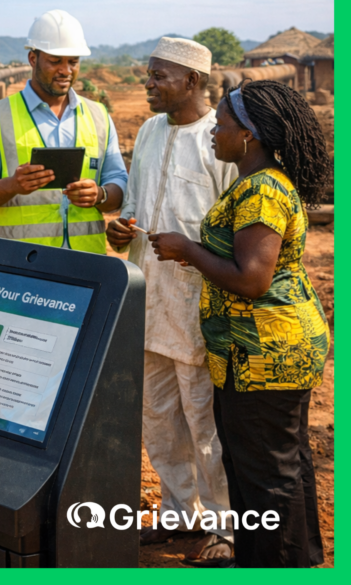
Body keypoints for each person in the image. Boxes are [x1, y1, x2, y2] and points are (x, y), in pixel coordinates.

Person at [149, 80, 331, 568]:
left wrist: (187, 249)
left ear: (249, 135)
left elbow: (252, 279)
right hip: (261, 351)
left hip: (266, 356)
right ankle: (296, 560)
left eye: (222, 123)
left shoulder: (261, 191)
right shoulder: (256, 184)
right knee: (282, 467)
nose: (214, 130)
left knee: (266, 476)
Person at [105, 38, 236, 565]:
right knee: (158, 419)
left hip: (197, 309)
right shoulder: (152, 132)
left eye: (159, 76)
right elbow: (135, 207)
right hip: (147, 301)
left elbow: (235, 233)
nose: (148, 83)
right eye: (148, 74)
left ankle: (225, 526)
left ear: (193, 82)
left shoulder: (221, 142)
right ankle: (181, 516)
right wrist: (120, 230)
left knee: (206, 423)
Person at [0, 10, 128, 250]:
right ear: (32, 59)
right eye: (55, 61)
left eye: (73, 62)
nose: (66, 71)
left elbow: (119, 182)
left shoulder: (98, 116)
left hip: (88, 266)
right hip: (23, 266)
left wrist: (100, 194)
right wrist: (12, 185)